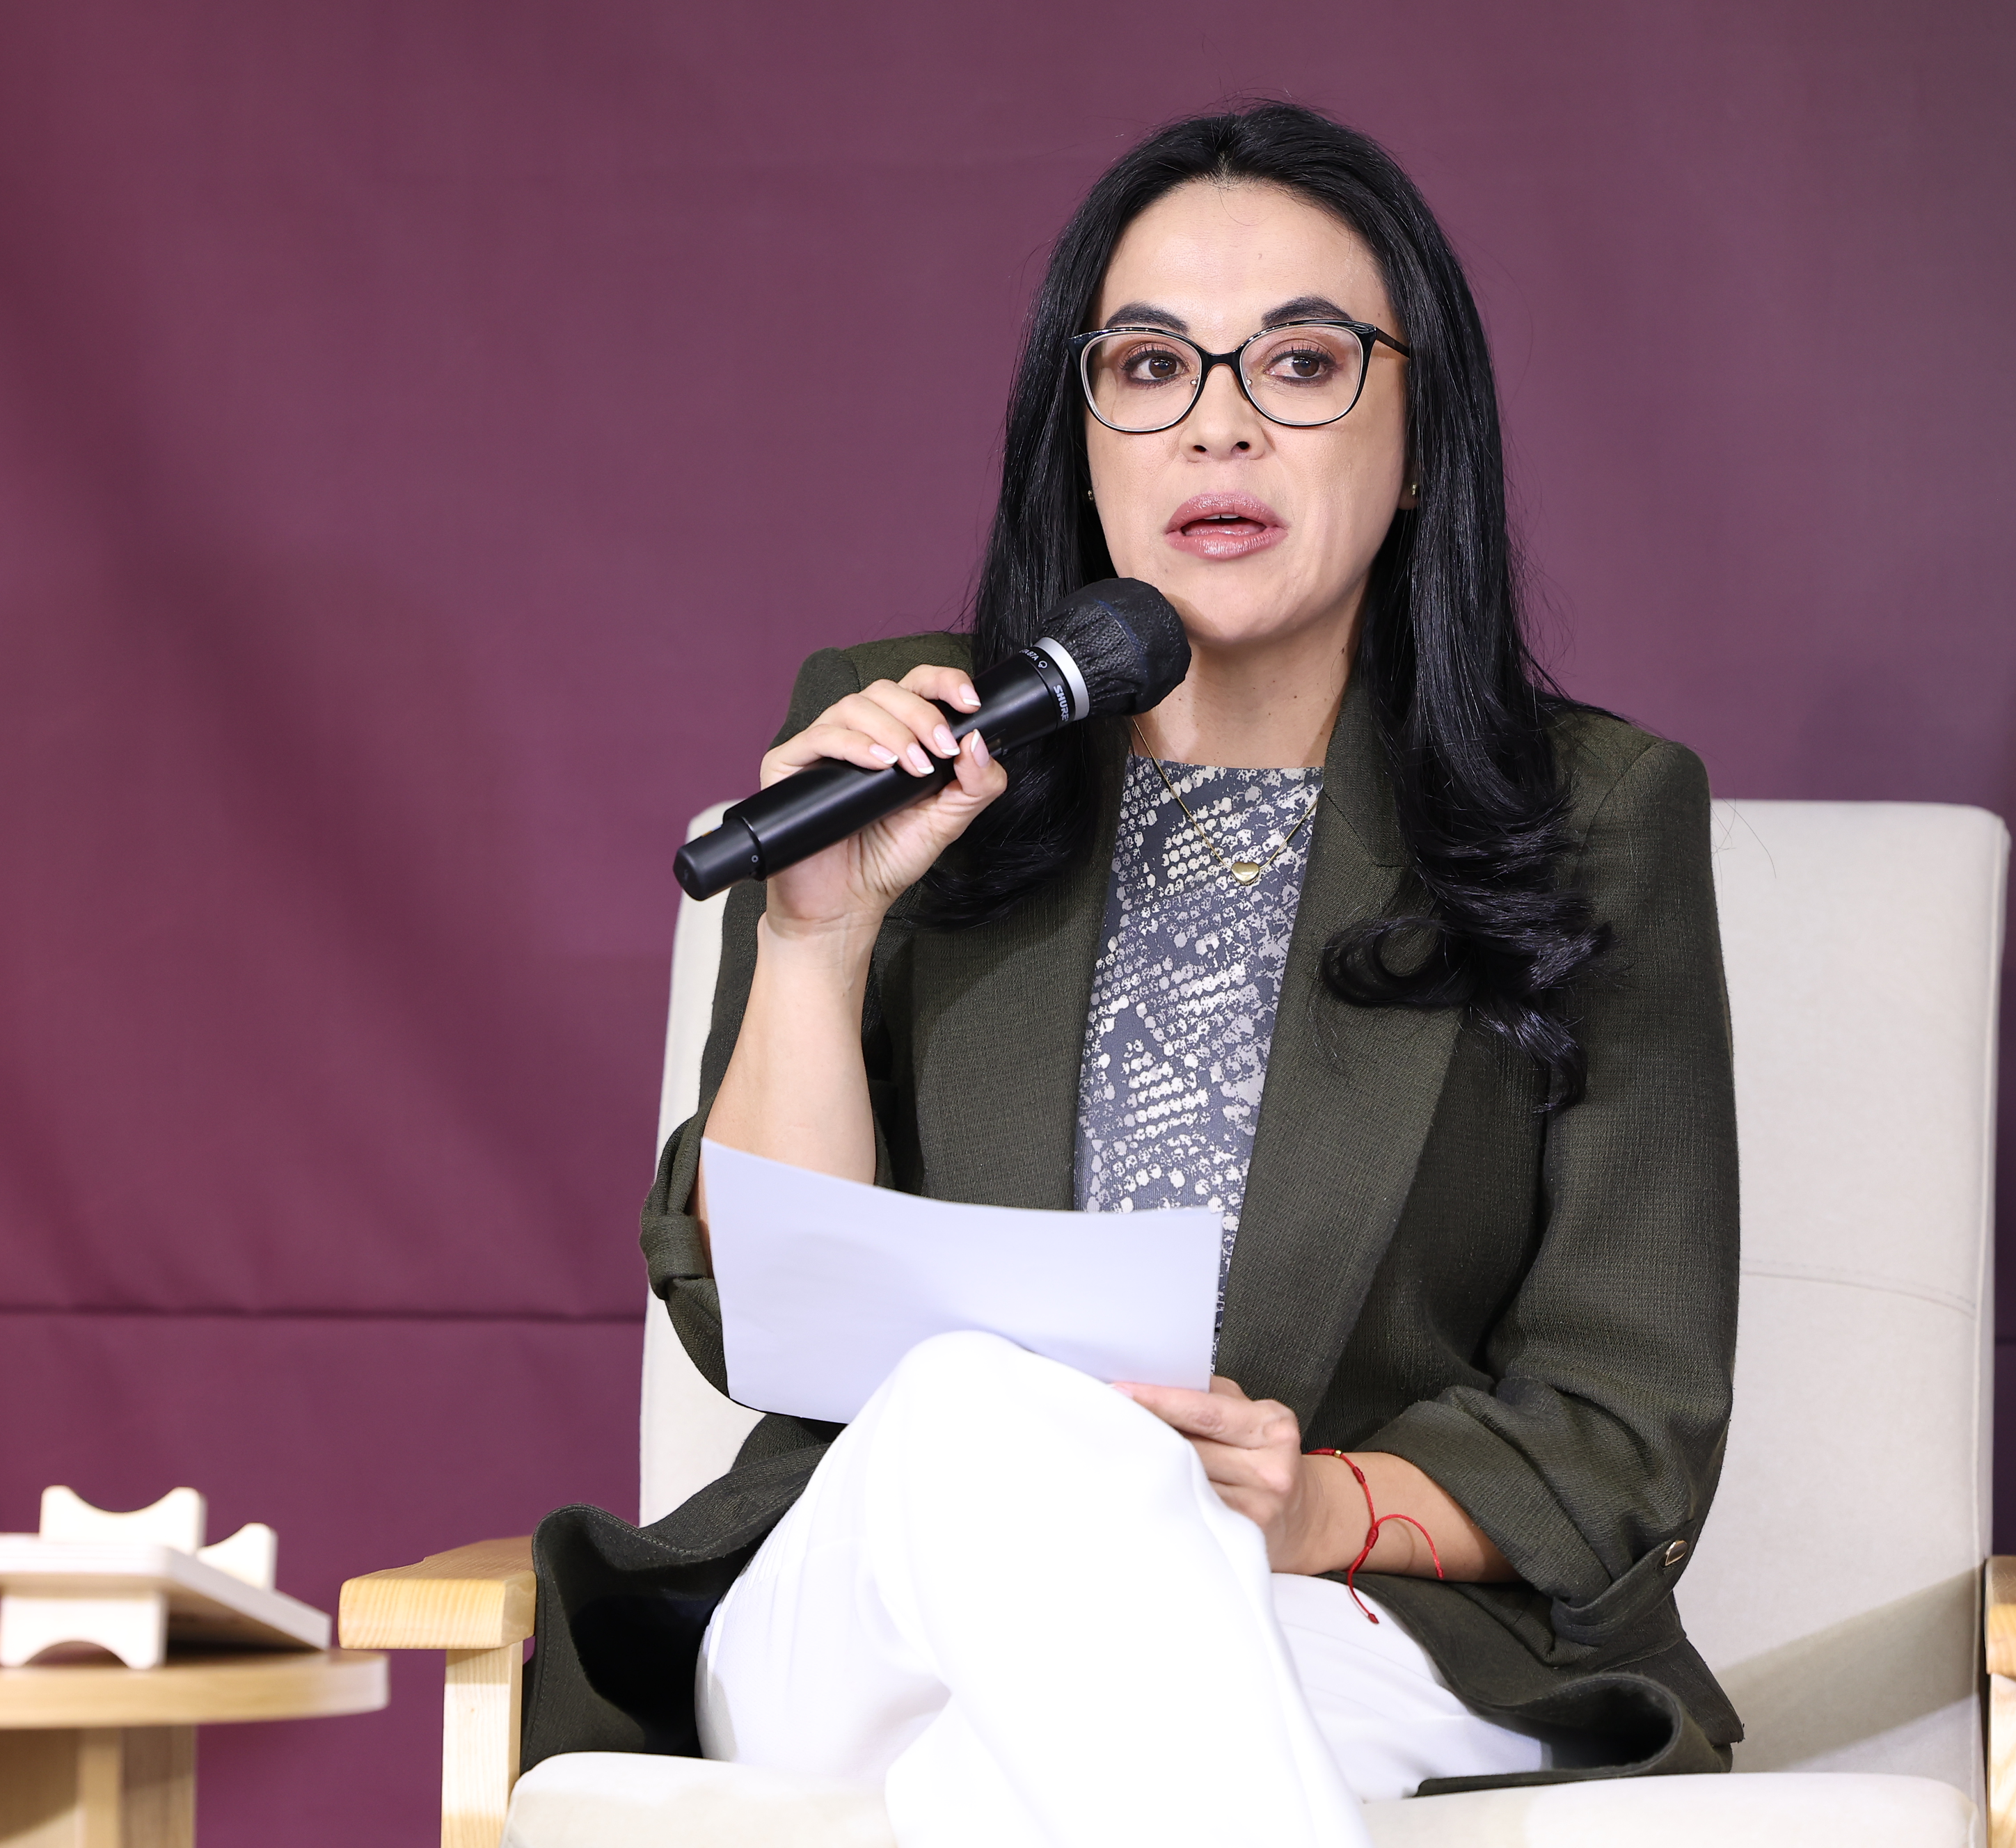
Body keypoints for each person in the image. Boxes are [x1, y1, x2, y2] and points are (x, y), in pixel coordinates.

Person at [523, 101, 1738, 1846]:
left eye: (1301, 363)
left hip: (1331, 1606)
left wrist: (1318, 1505)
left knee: (1008, 1757)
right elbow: (763, 1318)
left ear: (1421, 439)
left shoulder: (1597, 815)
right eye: (1152, 366)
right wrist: (816, 935)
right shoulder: (910, 738)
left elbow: (1627, 1416)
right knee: (974, 1415)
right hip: (867, 1588)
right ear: (1081, 437)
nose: (1218, 423)